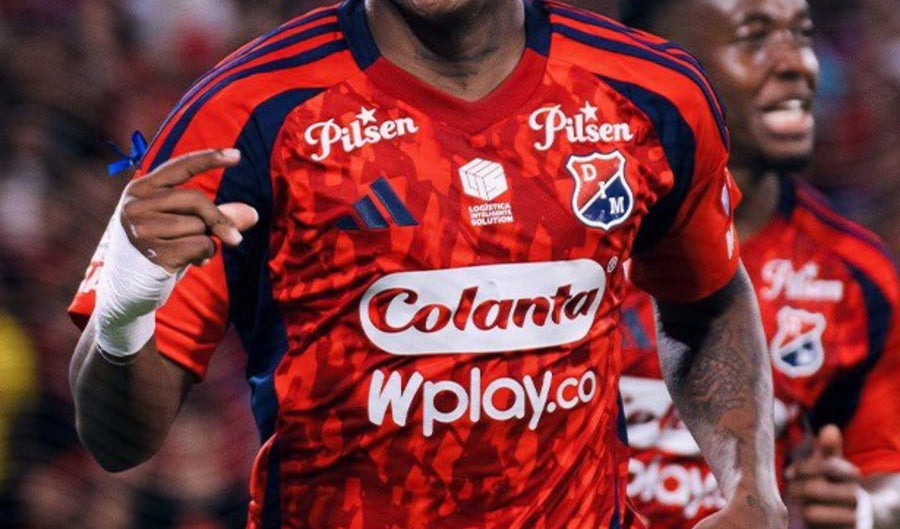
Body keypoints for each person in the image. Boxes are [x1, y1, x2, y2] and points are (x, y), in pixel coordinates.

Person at [67, 1, 788, 527]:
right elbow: (115, 441)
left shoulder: (653, 93)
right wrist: (126, 312)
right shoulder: (245, 114)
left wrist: (752, 489)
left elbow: (709, 303)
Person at [615, 0, 900, 528]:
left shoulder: (852, 274)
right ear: (659, 64)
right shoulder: (574, 240)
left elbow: (888, 476)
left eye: (803, 34)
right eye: (753, 37)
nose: (799, 64)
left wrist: (858, 508)